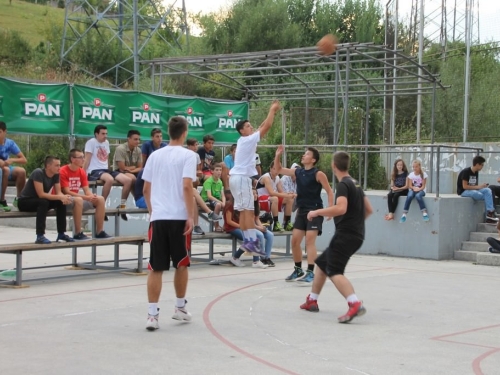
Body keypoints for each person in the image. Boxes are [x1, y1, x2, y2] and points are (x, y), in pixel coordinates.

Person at [300, 151, 373, 324]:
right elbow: (368, 209)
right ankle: (312, 299)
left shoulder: (343, 185)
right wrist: (354, 222)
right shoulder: (355, 184)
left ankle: (354, 303)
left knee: (334, 270)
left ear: (334, 166)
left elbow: (341, 208)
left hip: (346, 235)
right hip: (356, 234)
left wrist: (317, 211)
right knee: (323, 264)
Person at [142, 116, 196, 331]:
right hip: (179, 217)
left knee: (156, 267)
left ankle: (152, 315)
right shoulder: (189, 155)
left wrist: (152, 210)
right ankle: (179, 307)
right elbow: (187, 186)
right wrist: (191, 215)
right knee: (182, 263)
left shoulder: (155, 156)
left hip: (159, 217)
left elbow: (146, 189)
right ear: (184, 133)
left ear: (168, 131)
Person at [274, 145, 334, 285]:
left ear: (313, 160)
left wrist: (330, 209)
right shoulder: (298, 172)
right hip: (301, 211)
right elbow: (279, 170)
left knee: (309, 242)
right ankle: (298, 270)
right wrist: (277, 155)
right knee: (295, 241)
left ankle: (311, 272)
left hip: (314, 212)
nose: (303, 156)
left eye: (306, 154)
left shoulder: (318, 174)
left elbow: (330, 191)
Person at [229, 100, 281, 255]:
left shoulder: (244, 139)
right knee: (248, 211)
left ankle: (249, 241)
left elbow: (261, 127)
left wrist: (272, 113)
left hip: (236, 179)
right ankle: (250, 241)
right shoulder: (248, 139)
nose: (251, 127)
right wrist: (272, 110)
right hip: (242, 178)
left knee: (246, 211)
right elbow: (267, 127)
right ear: (242, 131)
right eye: (247, 126)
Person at [17, 156, 74, 244]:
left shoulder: (56, 174)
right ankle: (40, 236)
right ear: (48, 166)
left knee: (60, 202)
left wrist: (64, 198)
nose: (59, 168)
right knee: (43, 202)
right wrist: (60, 197)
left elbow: (59, 192)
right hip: (24, 202)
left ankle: (61, 234)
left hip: (40, 201)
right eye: (57, 165)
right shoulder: (38, 172)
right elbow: (41, 194)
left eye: (59, 165)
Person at [84, 125, 134, 221]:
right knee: (109, 179)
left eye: (106, 133)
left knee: (128, 180)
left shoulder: (106, 142)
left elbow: (106, 159)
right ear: (96, 134)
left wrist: (108, 168)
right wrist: (83, 174)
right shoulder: (91, 142)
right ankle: (100, 205)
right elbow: (87, 159)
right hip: (94, 170)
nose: (105, 136)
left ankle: (122, 206)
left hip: (105, 170)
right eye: (103, 133)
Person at [60, 149, 112, 240]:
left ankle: (99, 232)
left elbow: (86, 190)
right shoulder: (63, 171)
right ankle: (77, 233)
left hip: (76, 201)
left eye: (83, 157)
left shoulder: (81, 171)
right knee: (79, 200)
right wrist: (86, 197)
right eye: (81, 157)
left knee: (100, 199)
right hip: (64, 202)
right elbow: (66, 191)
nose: (83, 159)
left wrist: (91, 196)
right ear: (72, 159)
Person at [224, 191, 270, 268]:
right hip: (232, 228)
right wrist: (241, 226)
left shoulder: (241, 205)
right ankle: (239, 258)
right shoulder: (230, 204)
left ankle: (254, 261)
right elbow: (229, 221)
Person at [186, 138, 222, 235]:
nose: (196, 147)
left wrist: (198, 172)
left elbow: (198, 169)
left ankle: (196, 226)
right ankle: (209, 213)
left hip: (188, 185)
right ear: (188, 146)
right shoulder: (185, 155)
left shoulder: (195, 155)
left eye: (197, 145)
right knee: (196, 185)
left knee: (193, 197)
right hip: (182, 188)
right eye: (194, 145)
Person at [457, 155, 498, 224]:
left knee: (488, 190)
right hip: (464, 191)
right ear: (477, 164)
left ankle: (490, 213)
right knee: (478, 194)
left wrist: (482, 186)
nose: (482, 167)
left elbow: (473, 185)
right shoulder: (466, 172)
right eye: (482, 165)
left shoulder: (476, 172)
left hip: (472, 189)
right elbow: (465, 186)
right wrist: (479, 187)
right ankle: (489, 215)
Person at [256, 161, 296, 232]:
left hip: (269, 199)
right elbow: (271, 192)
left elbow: (281, 192)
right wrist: (284, 194)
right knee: (275, 199)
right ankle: (276, 224)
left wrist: (288, 194)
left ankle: (287, 222)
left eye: (278, 168)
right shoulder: (266, 177)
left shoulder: (277, 178)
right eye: (274, 168)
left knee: (289, 199)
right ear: (270, 169)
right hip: (260, 199)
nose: (276, 170)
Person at [0, 121, 27, 211]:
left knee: (21, 171)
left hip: (6, 168)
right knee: (5, 170)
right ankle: (2, 200)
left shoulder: (10, 143)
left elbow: (23, 159)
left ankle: (19, 199)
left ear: (5, 131)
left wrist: (12, 160)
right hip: (3, 170)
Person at [200, 163, 225, 232]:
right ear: (212, 171)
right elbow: (209, 196)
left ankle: (226, 225)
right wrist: (221, 202)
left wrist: (224, 203)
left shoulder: (220, 182)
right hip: (207, 199)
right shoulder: (208, 181)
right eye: (217, 170)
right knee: (218, 204)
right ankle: (216, 226)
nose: (219, 172)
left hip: (215, 198)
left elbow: (223, 195)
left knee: (227, 205)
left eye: (220, 170)